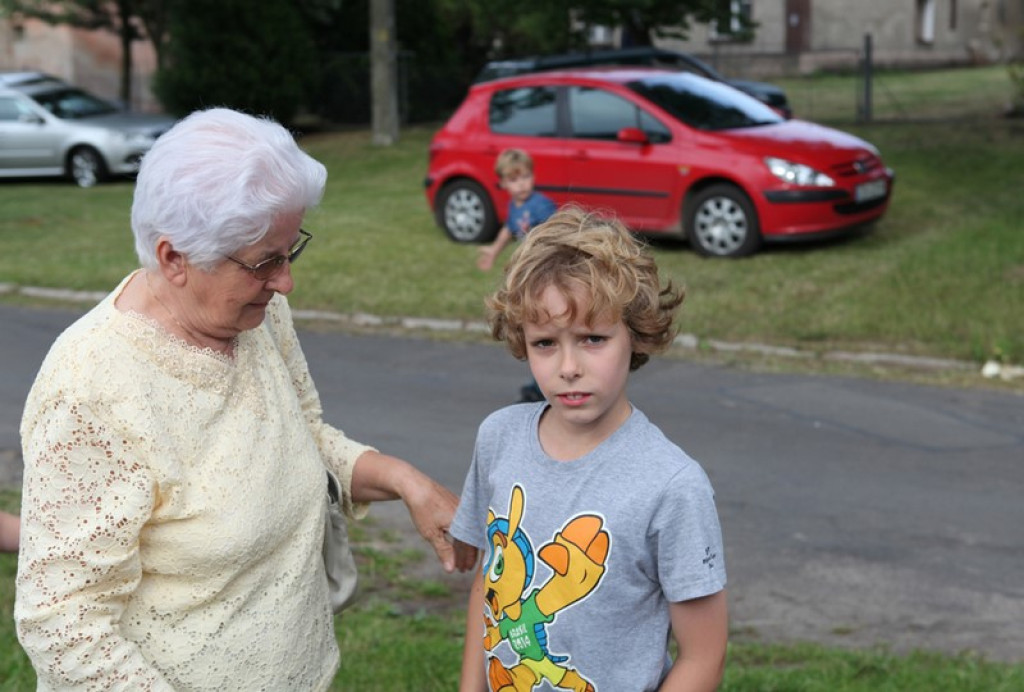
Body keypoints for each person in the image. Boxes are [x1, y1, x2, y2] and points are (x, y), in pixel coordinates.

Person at [15, 107, 476, 691]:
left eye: (290, 251)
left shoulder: (256, 313)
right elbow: (63, 621)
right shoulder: (90, 390)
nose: (285, 282)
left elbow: (301, 433)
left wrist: (405, 480)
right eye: (264, 262)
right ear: (173, 258)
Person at [451, 206, 729, 691]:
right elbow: (489, 584)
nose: (568, 366)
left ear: (636, 334)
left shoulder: (673, 486)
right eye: (544, 344)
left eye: (593, 338)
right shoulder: (497, 437)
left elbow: (704, 654)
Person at [476, 148, 557, 403]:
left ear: (533, 176)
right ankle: (541, 380)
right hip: (530, 277)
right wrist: (493, 251)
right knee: (533, 327)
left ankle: (541, 384)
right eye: (513, 180)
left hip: (547, 274)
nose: (521, 185)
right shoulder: (515, 206)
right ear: (503, 183)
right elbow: (508, 230)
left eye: (525, 177)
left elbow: (555, 235)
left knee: (547, 326)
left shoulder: (541, 205)